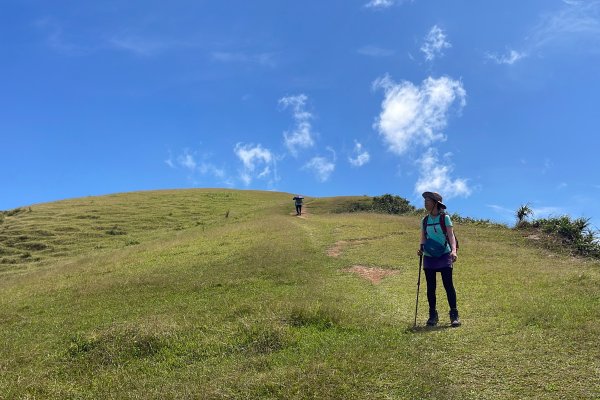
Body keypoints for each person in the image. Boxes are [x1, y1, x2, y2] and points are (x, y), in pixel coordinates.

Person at [417, 191, 461, 327]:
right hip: (429, 256)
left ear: (436, 203)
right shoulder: (424, 220)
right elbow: (424, 238)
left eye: (428, 201)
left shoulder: (445, 218)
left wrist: (453, 251)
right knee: (431, 287)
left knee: (448, 285)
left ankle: (454, 314)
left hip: (444, 254)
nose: (425, 203)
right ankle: (432, 315)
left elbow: (451, 236)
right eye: (425, 201)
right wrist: (421, 249)